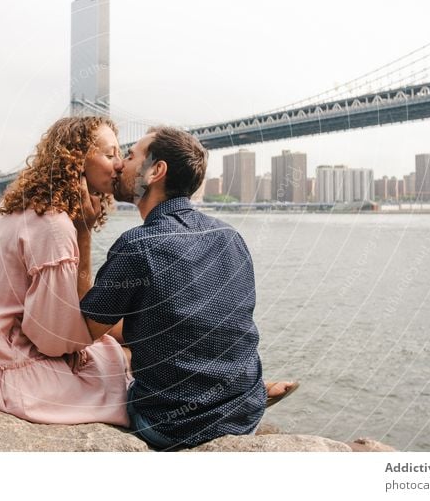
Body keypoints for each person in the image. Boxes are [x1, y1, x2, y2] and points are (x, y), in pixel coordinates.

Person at [79, 126, 298, 449]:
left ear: (156, 170)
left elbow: (84, 328)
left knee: (100, 357)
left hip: (169, 428)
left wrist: (82, 229)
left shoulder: (138, 245)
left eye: (129, 155)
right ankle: (245, 392)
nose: (120, 165)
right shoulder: (229, 237)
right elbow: (188, 320)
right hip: (245, 415)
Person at [0, 116, 130, 426]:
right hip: (8, 376)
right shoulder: (54, 227)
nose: (119, 164)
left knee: (116, 338)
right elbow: (53, 341)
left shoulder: (20, 204)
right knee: (125, 371)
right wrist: (83, 232)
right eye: (109, 155)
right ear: (76, 160)